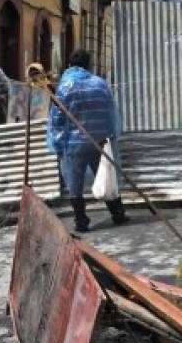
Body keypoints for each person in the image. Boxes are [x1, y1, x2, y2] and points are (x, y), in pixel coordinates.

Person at [48, 49, 127, 232]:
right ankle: (118, 214)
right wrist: (109, 136)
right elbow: (110, 112)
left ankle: (81, 221)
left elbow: (57, 118)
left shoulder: (65, 86)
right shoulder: (100, 84)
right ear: (89, 64)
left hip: (74, 145)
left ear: (70, 64)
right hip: (98, 141)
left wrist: (57, 144)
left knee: (74, 183)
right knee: (107, 175)